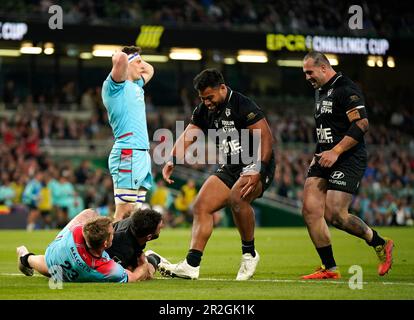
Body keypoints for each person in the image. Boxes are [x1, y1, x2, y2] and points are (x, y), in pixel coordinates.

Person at [159, 68, 276, 280]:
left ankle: (249, 254)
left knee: (237, 198)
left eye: (210, 97)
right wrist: (172, 159)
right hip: (231, 166)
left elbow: (266, 138)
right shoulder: (204, 110)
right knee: (201, 206)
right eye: (203, 98)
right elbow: (189, 135)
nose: (207, 102)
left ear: (222, 88)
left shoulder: (243, 104)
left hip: (255, 164)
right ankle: (191, 265)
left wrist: (259, 168)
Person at [301, 51, 394, 279]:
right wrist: (320, 152)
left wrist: (336, 151)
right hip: (324, 156)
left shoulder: (346, 88)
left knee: (335, 215)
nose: (307, 77)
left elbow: (362, 124)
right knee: (310, 210)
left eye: (309, 72)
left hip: (348, 156)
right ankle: (329, 268)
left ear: (324, 67)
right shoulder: (320, 91)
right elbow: (328, 128)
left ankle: (380, 242)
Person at [16, 208, 166, 283]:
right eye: (111, 233)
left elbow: (88, 218)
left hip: (56, 251)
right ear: (106, 244)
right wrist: (144, 267)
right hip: (66, 272)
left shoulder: (76, 232)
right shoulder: (107, 267)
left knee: (89, 212)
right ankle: (25, 257)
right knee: (145, 270)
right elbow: (132, 276)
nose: (114, 230)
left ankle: (25, 257)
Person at [101, 46, 155, 221]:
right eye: (138, 62)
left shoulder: (136, 84)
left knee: (135, 212)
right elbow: (121, 59)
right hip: (128, 152)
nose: (142, 65)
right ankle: (113, 248)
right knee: (124, 211)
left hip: (141, 154)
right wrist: (122, 53)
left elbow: (150, 69)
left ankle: (132, 249)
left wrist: (136, 58)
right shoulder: (114, 86)